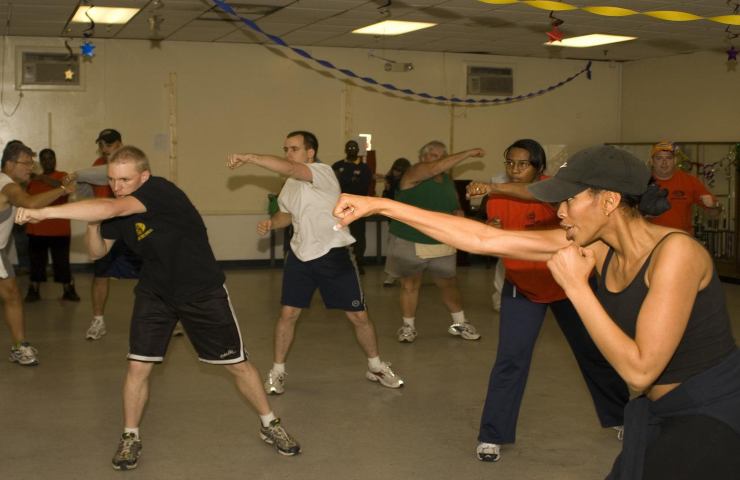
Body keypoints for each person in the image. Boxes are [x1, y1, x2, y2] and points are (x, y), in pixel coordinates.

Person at [334, 145, 740, 479]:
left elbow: (639, 370)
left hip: (708, 414)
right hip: (654, 411)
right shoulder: (600, 246)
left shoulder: (676, 254)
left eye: (569, 200)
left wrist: (577, 287)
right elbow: (482, 238)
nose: (559, 211)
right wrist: (382, 207)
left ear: (610, 201)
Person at [16, 146, 301, 469]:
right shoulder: (117, 210)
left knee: (236, 364)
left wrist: (45, 212)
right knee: (138, 367)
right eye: (112, 180)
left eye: (124, 179)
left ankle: (270, 424)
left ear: (144, 176)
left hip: (200, 290)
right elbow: (97, 252)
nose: (117, 186)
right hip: (155, 292)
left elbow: (111, 207)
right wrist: (94, 224)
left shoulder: (160, 191)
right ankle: (130, 436)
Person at [473, 139, 627, 462]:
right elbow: (497, 232)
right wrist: (490, 227)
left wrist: (492, 188)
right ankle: (492, 434)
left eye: (523, 164)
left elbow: (532, 197)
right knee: (510, 360)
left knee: (593, 353)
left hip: (567, 285)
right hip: (522, 287)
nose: (515, 170)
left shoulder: (557, 191)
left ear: (539, 168)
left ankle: (622, 417)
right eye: (510, 163)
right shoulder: (497, 196)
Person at [226, 130, 403, 395]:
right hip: (300, 256)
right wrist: (271, 223)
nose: (289, 154)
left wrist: (250, 157)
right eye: (286, 148)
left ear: (310, 152)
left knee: (358, 315)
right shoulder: (290, 184)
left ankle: (376, 366)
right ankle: (277, 371)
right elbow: (286, 215)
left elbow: (290, 167)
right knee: (288, 315)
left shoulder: (322, 172)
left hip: (333, 253)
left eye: (294, 149)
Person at [388, 140, 484, 343]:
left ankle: (459, 323)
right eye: (434, 156)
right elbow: (434, 168)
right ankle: (408, 327)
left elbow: (455, 206)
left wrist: (459, 216)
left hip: (441, 240)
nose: (440, 160)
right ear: (422, 158)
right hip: (410, 240)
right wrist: (467, 152)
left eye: (442, 156)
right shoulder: (413, 174)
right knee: (410, 284)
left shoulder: (448, 181)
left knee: (449, 284)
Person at [2, 142, 76, 366]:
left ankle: (19, 346)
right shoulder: (7, 186)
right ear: (10, 163)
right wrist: (63, 190)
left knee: (13, 295)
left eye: (32, 163)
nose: (31, 168)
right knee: (12, 295)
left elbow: (20, 212)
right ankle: (20, 346)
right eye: (26, 163)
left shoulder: (9, 185)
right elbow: (30, 203)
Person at [85, 129, 141, 340]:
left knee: (151, 271)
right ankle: (98, 320)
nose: (106, 148)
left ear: (119, 143)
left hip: (130, 222)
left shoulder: (132, 162)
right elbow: (92, 183)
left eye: (110, 144)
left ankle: (167, 318)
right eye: (102, 144)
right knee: (101, 273)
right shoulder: (98, 165)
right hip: (107, 224)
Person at [24, 148, 80, 302]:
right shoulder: (32, 180)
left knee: (61, 263)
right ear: (41, 162)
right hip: (36, 228)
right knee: (36, 263)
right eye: (45, 159)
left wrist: (41, 178)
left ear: (55, 160)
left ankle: (68, 290)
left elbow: (62, 186)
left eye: (51, 158)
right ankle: (33, 290)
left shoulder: (63, 176)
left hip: (59, 229)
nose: (49, 161)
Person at [649, 141, 720, 234]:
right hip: (650, 241)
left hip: (681, 240)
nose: (664, 162)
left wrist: (712, 206)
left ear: (675, 161)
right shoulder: (642, 182)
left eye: (668, 158)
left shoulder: (689, 181)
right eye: (659, 158)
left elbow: (715, 213)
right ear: (652, 161)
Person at [332, 140, 372, 273]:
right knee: (338, 232)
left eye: (354, 147)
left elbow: (363, 187)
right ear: (345, 149)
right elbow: (332, 185)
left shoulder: (364, 168)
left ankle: (359, 262)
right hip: (339, 207)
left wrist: (345, 183)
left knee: (358, 236)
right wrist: (350, 183)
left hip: (357, 207)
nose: (351, 149)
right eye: (349, 147)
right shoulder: (337, 166)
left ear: (358, 150)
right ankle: (338, 261)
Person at [380, 157, 411, 287]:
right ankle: (392, 275)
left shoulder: (410, 182)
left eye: (399, 171)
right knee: (393, 247)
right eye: (395, 170)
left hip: (407, 219)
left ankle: (404, 275)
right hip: (394, 218)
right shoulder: (390, 180)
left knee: (406, 249)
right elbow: (386, 198)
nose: (396, 173)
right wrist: (387, 188)